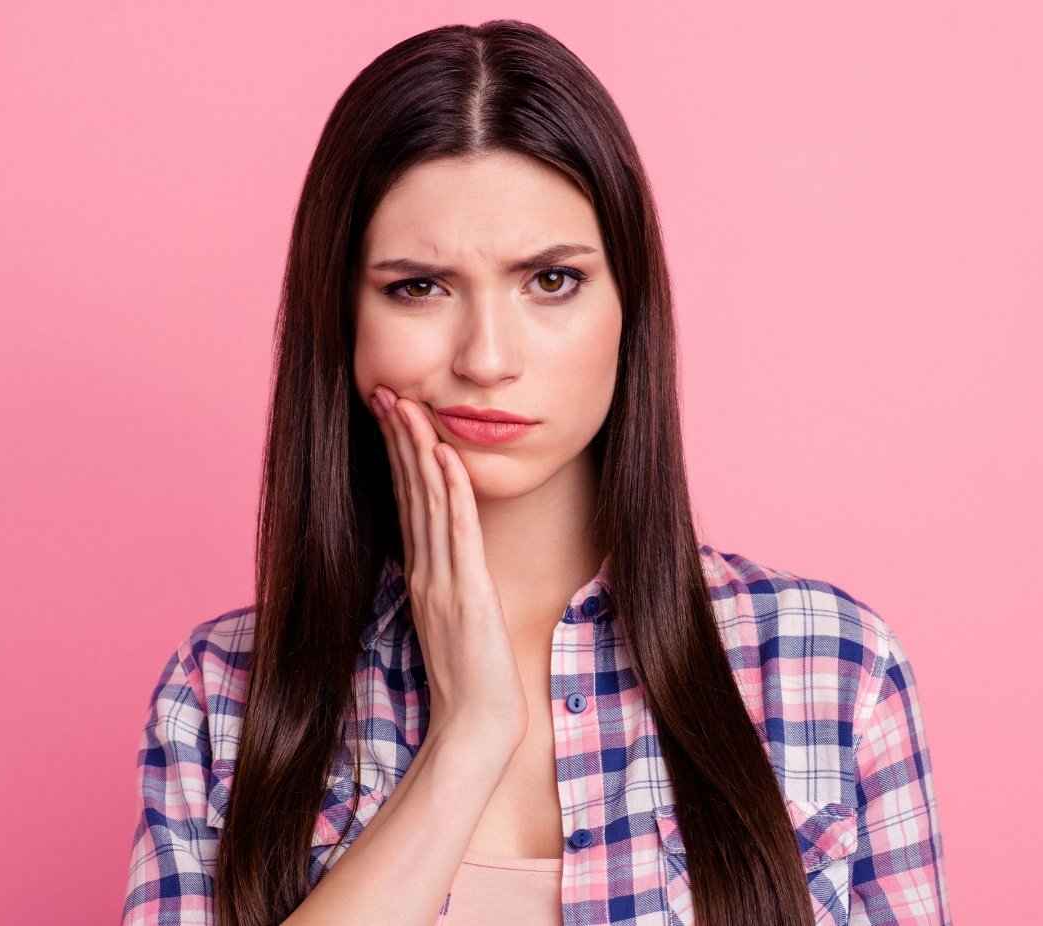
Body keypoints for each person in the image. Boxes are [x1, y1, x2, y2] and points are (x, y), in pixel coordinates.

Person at [120, 19, 950, 926]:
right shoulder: (222, 697)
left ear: (630, 308)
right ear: (342, 324)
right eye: (418, 286)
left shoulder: (826, 667)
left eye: (549, 281)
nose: (486, 357)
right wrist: (468, 738)